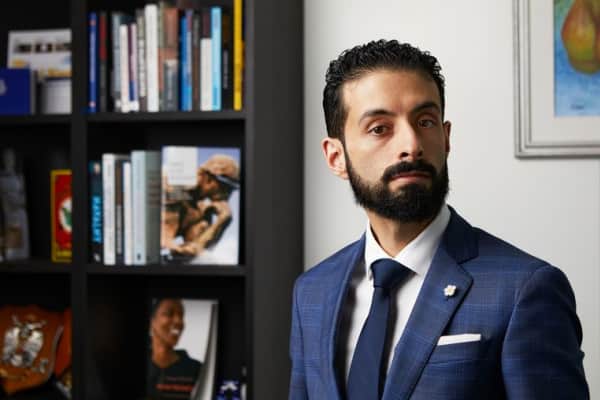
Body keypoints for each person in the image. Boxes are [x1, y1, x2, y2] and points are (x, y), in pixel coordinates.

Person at [289, 40, 589, 400]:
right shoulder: (312, 292)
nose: (412, 144)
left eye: (425, 122)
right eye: (380, 128)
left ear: (445, 139)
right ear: (336, 157)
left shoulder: (525, 289)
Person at [161, 154, 240, 261]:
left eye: (231, 190)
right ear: (208, 179)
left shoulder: (201, 207)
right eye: (225, 188)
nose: (228, 195)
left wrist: (222, 222)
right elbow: (164, 242)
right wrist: (183, 251)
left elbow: (197, 253)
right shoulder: (174, 185)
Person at [147, 298, 202, 400]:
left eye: (181, 315)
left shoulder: (197, 370)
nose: (178, 321)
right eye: (169, 314)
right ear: (151, 321)